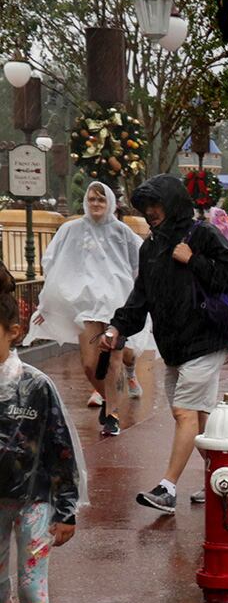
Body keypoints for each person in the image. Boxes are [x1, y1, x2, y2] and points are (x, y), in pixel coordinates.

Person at [101, 174, 228, 516]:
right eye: (146, 207)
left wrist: (193, 259)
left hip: (206, 339)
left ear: (172, 204)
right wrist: (116, 328)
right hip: (174, 346)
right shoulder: (150, 248)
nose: (151, 213)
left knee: (184, 412)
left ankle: (167, 489)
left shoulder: (202, 234)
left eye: (156, 205)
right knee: (196, 419)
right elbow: (140, 299)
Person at [0, 268, 84, 603]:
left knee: (32, 588)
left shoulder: (36, 386)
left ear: (14, 332)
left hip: (34, 501)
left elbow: (59, 447)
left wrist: (66, 508)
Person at [30, 180, 144, 438]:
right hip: (87, 307)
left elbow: (140, 262)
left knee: (114, 358)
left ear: (110, 203)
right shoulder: (72, 230)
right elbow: (55, 264)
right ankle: (109, 398)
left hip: (117, 305)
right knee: (90, 364)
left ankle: (113, 414)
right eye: (92, 199)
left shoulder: (122, 232)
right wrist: (46, 303)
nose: (96, 204)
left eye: (101, 200)